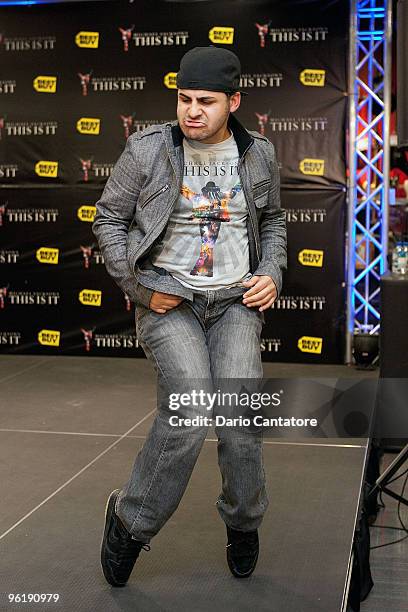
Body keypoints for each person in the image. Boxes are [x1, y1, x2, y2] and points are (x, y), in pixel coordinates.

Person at [93, 46, 287, 587]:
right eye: (184, 99)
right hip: (168, 299)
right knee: (191, 412)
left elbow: (272, 221)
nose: (192, 111)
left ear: (234, 102)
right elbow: (108, 219)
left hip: (234, 302)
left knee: (239, 421)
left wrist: (272, 270)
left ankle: (243, 521)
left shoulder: (259, 153)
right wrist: (138, 288)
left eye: (206, 101)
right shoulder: (147, 149)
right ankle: (130, 523)